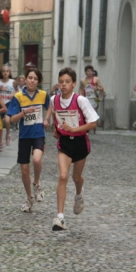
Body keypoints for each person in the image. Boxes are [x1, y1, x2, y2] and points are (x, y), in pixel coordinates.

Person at [49, 67, 99, 231]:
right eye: (61, 81)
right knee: (63, 176)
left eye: (67, 82)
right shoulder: (54, 100)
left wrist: (73, 129)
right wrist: (57, 129)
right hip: (64, 143)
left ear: (74, 84)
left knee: (76, 177)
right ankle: (60, 218)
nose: (63, 85)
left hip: (79, 143)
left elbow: (93, 123)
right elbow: (57, 118)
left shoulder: (80, 101)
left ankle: (78, 194)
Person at [7, 68, 50, 212]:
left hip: (38, 134)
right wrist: (24, 112)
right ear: (25, 79)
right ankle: (29, 198)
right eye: (30, 78)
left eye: (35, 78)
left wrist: (47, 119)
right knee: (24, 171)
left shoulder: (43, 95)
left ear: (38, 81)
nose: (32, 80)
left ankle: (37, 183)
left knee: (37, 159)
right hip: (24, 137)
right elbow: (12, 119)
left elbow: (51, 107)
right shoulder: (18, 97)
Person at [79, 65, 104, 133]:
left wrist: (97, 88)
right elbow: (81, 89)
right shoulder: (83, 80)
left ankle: (93, 126)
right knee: (86, 113)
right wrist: (80, 97)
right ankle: (87, 128)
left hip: (94, 99)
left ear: (93, 72)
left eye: (91, 71)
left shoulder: (96, 79)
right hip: (86, 99)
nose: (89, 72)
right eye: (88, 71)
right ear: (86, 72)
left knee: (92, 113)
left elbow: (102, 88)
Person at [0, 65, 16, 148]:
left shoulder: (12, 82)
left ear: (9, 73)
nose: (5, 73)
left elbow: (18, 91)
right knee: (0, 124)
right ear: (1, 73)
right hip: (1, 104)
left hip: (9, 103)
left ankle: (8, 134)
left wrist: (13, 94)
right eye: (3, 71)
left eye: (7, 71)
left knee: (7, 121)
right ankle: (0, 142)